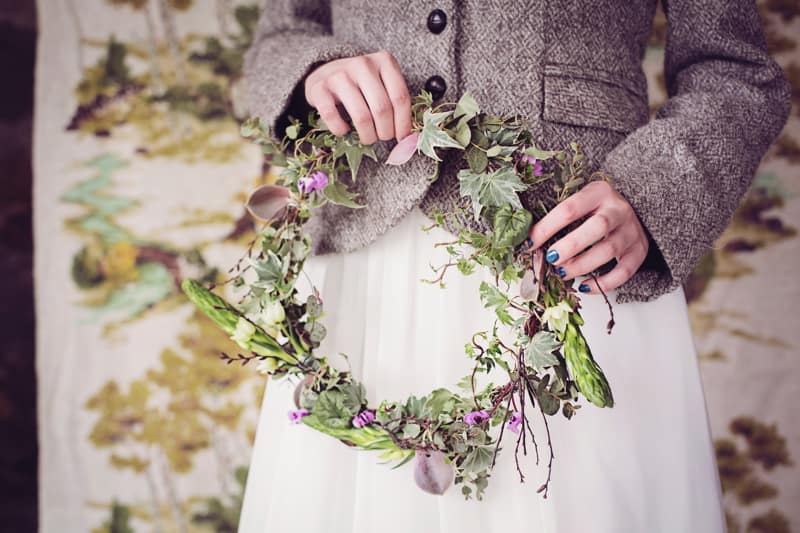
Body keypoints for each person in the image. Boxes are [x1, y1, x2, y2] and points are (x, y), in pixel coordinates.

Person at [237, 1, 791, 532]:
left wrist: (652, 191)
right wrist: (315, 74)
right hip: (362, 266)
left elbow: (735, 70)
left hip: (574, 255)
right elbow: (279, 39)